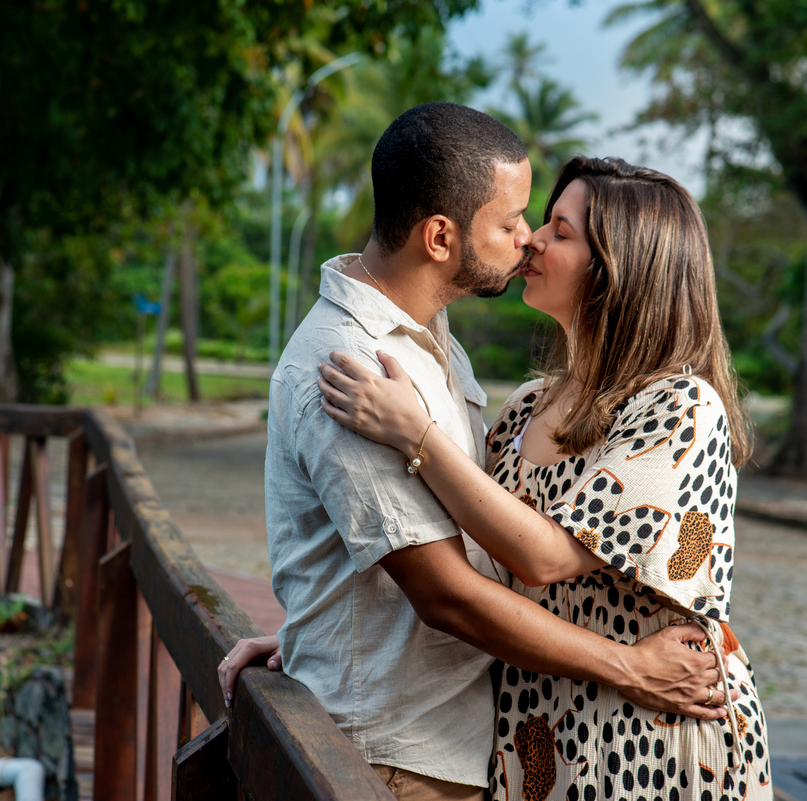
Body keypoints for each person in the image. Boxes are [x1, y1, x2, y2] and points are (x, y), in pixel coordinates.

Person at [218, 105, 737, 801]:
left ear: (615, 272)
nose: (527, 241)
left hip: (631, 732)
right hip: (440, 746)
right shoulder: (365, 368)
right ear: (441, 236)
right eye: (517, 221)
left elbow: (525, 552)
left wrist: (317, 625)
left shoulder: (441, 349)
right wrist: (315, 631)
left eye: (552, 227)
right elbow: (445, 590)